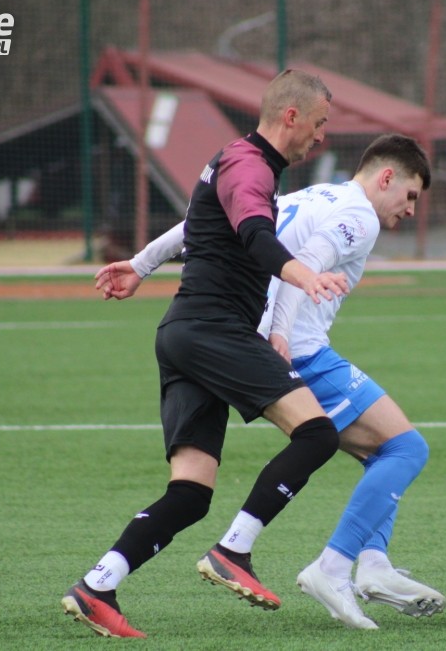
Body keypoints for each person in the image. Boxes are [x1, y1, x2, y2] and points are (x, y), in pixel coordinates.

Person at [94, 134, 446, 630]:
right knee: (405, 449)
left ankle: (373, 563)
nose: (410, 209)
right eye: (410, 195)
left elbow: (202, 223)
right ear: (386, 177)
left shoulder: (310, 195)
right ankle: (331, 567)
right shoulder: (360, 216)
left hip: (229, 339)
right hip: (294, 349)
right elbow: (306, 267)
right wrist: (281, 333)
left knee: (378, 453)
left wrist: (140, 263)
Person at [61, 68, 349, 639]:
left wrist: (140, 265)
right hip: (214, 330)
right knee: (318, 434)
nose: (321, 137)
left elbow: (194, 224)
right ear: (291, 116)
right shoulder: (250, 164)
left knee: (191, 492)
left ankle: (97, 585)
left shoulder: (237, 162)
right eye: (319, 124)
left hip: (184, 333)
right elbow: (255, 236)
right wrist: (305, 275)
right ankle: (233, 550)